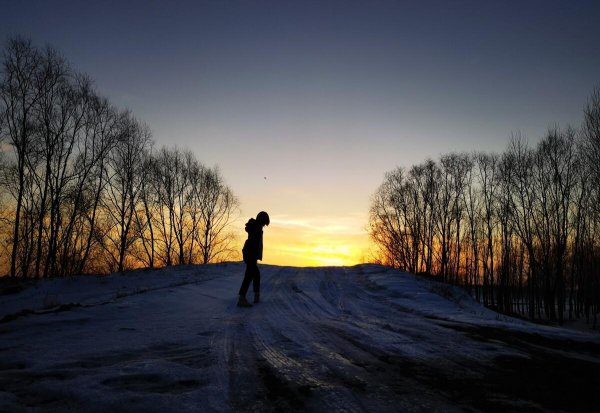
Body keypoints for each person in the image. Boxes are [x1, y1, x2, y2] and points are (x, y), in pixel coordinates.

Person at [238, 211, 270, 307]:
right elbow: (254, 243)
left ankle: (255, 296)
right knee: (250, 275)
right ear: (262, 220)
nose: (264, 225)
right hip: (250, 254)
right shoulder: (256, 228)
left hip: (250, 254)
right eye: (264, 223)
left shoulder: (256, 227)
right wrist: (254, 255)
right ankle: (242, 298)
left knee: (255, 275)